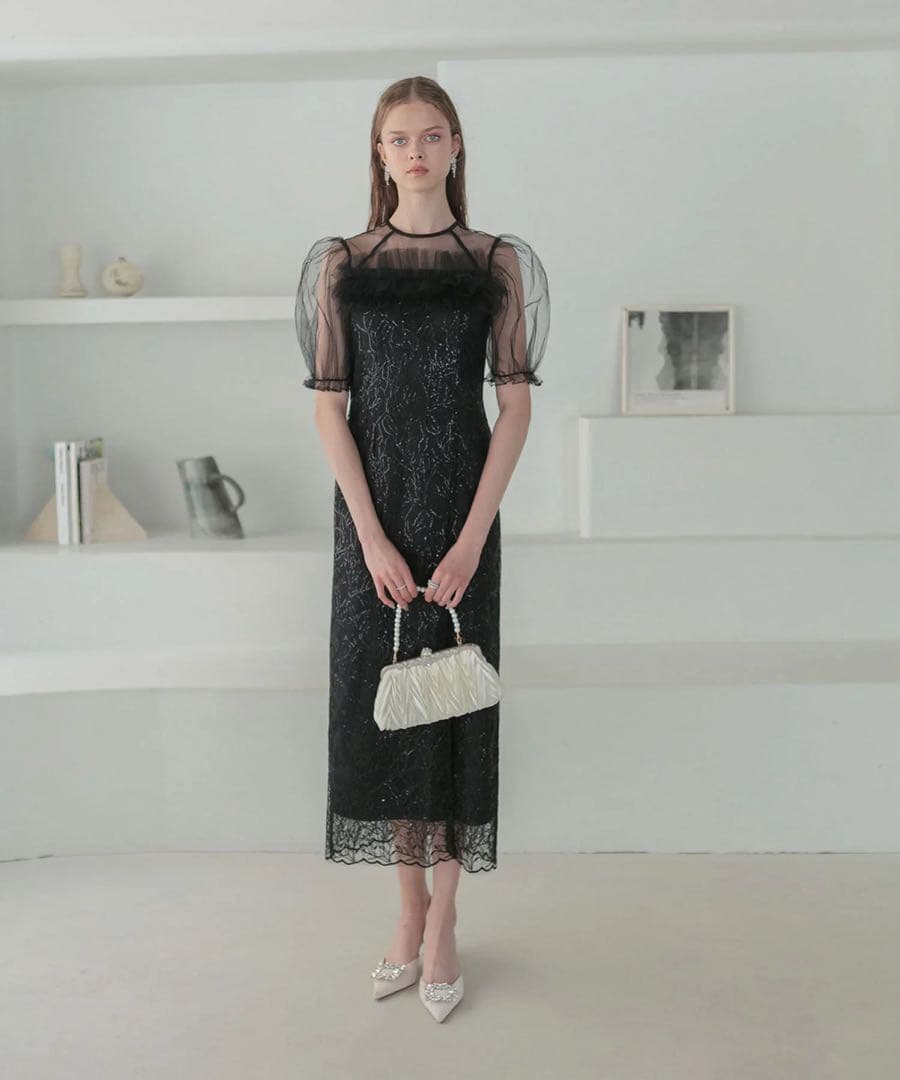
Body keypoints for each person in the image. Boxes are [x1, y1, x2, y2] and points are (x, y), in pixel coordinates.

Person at [295, 75, 549, 1021]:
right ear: (379, 151)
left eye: (432, 135)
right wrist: (369, 535)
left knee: (453, 710)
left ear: (455, 147)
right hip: (373, 521)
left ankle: (445, 918)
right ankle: (405, 911)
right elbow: (330, 409)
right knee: (391, 715)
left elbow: (514, 407)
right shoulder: (342, 263)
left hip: (463, 516)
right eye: (399, 138)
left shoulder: (496, 262)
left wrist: (474, 537)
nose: (416, 151)